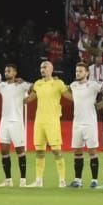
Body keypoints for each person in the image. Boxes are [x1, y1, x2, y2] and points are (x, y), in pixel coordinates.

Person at [27, 58, 72, 189]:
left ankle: (62, 180)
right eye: (41, 67)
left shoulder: (58, 83)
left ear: (51, 69)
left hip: (52, 121)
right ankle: (39, 180)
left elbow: (69, 96)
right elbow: (29, 99)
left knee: (57, 151)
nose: (43, 69)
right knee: (39, 151)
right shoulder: (37, 84)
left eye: (45, 67)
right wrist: (17, 96)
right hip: (39, 121)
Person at [0, 64, 30, 186]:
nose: (6, 72)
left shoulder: (21, 85)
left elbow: (34, 88)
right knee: (4, 151)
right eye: (5, 71)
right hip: (4, 121)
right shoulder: (2, 86)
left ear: (15, 72)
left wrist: (27, 98)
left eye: (9, 71)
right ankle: (8, 180)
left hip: (16, 121)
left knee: (20, 151)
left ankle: (23, 180)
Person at [67, 61, 102, 188]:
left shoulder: (93, 85)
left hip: (90, 123)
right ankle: (78, 180)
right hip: (77, 123)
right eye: (77, 71)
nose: (78, 73)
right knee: (77, 152)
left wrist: (101, 105)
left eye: (81, 71)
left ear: (87, 73)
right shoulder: (73, 85)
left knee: (92, 152)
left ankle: (94, 181)